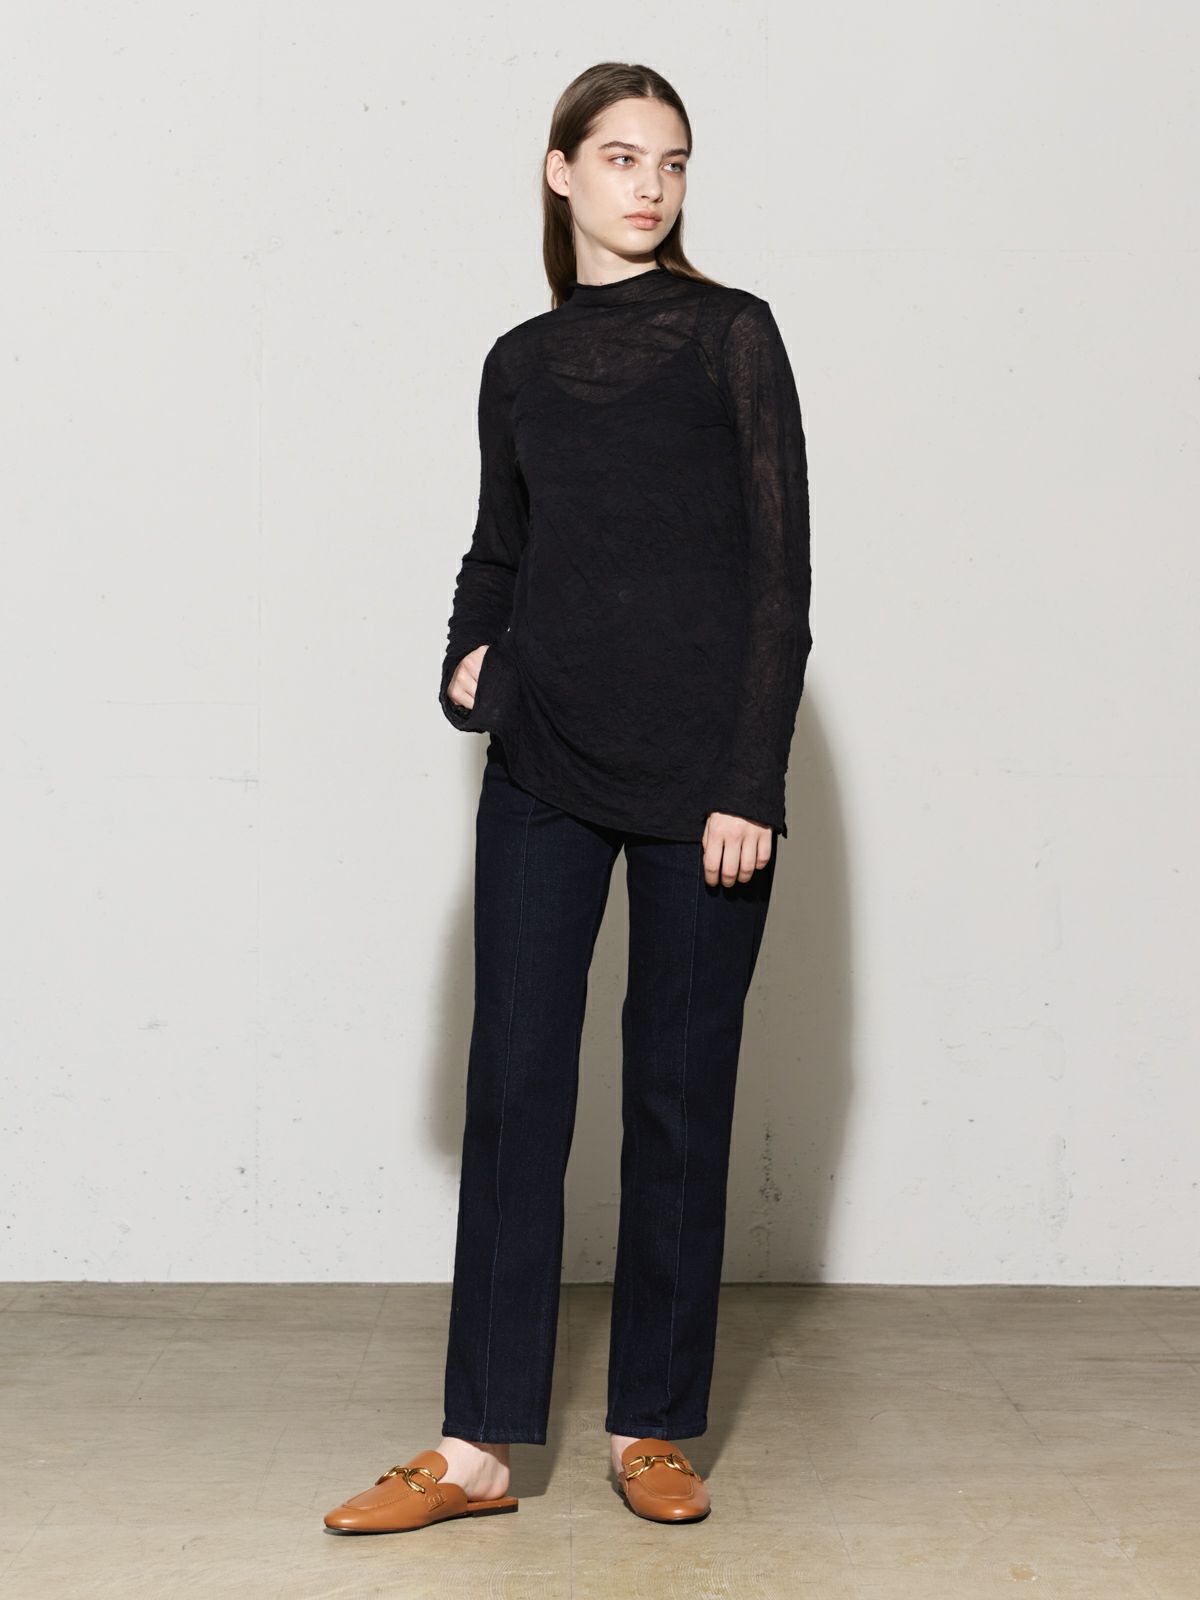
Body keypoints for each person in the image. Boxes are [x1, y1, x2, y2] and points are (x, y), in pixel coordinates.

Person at [324, 58, 812, 1536]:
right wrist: (467, 657)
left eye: (671, 161)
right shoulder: (520, 361)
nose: (649, 185)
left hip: (701, 786)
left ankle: (651, 1425)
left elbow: (780, 574)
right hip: (543, 760)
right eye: (620, 157)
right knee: (517, 1088)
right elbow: (502, 544)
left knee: (677, 1098)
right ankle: (475, 1448)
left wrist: (750, 780)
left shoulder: (732, 335)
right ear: (561, 172)